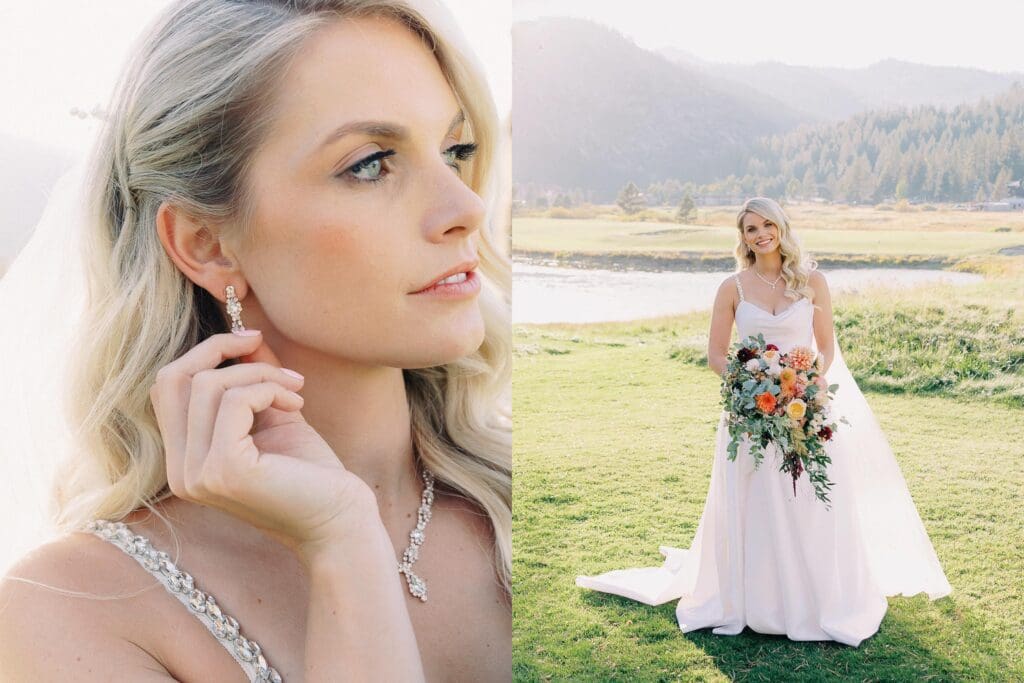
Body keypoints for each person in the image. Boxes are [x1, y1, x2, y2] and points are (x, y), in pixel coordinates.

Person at [0, 1, 511, 680]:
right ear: (208, 245)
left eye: (454, 149)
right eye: (370, 164)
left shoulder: (520, 494)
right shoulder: (70, 611)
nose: (465, 207)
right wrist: (343, 542)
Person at [575, 197, 951, 647]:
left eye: (767, 225)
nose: (760, 235)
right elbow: (716, 355)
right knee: (754, 502)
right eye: (750, 229)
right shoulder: (732, 287)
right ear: (743, 238)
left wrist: (810, 381)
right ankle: (755, 600)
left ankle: (815, 596)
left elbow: (827, 347)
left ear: (781, 228)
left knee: (810, 502)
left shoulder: (812, 281)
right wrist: (747, 386)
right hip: (749, 414)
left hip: (804, 410)